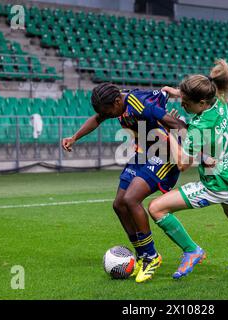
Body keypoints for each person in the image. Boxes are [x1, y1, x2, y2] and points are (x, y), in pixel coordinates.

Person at [61, 83, 187, 283]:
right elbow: (97, 118)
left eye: (108, 111)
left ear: (117, 101)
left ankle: (151, 257)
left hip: (164, 155)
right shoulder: (113, 104)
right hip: (142, 153)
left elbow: (177, 124)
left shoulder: (139, 105)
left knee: (131, 199)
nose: (107, 115)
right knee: (119, 204)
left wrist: (184, 150)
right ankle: (142, 255)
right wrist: (74, 137)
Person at [147, 59, 228, 279]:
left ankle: (192, 250)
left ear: (200, 103)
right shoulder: (218, 100)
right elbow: (198, 95)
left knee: (156, 208)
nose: (182, 105)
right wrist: (177, 92)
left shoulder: (198, 127)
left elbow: (183, 164)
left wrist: (167, 134)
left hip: (216, 184)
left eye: (186, 102)